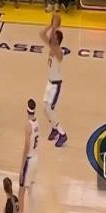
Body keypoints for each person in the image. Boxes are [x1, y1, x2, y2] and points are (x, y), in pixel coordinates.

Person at [40, 15, 67, 147]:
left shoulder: (59, 52)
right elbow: (41, 34)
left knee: (50, 109)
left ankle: (62, 133)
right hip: (49, 83)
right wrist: (51, 26)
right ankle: (54, 128)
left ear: (57, 40)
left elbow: (52, 41)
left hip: (56, 86)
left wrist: (55, 27)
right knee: (45, 110)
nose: (51, 37)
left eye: (54, 36)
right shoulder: (52, 46)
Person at [18, 99, 39, 213]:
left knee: (21, 193)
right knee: (32, 190)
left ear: (26, 110)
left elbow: (26, 147)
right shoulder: (37, 123)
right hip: (36, 159)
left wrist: (21, 167)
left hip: (29, 160)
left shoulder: (28, 126)